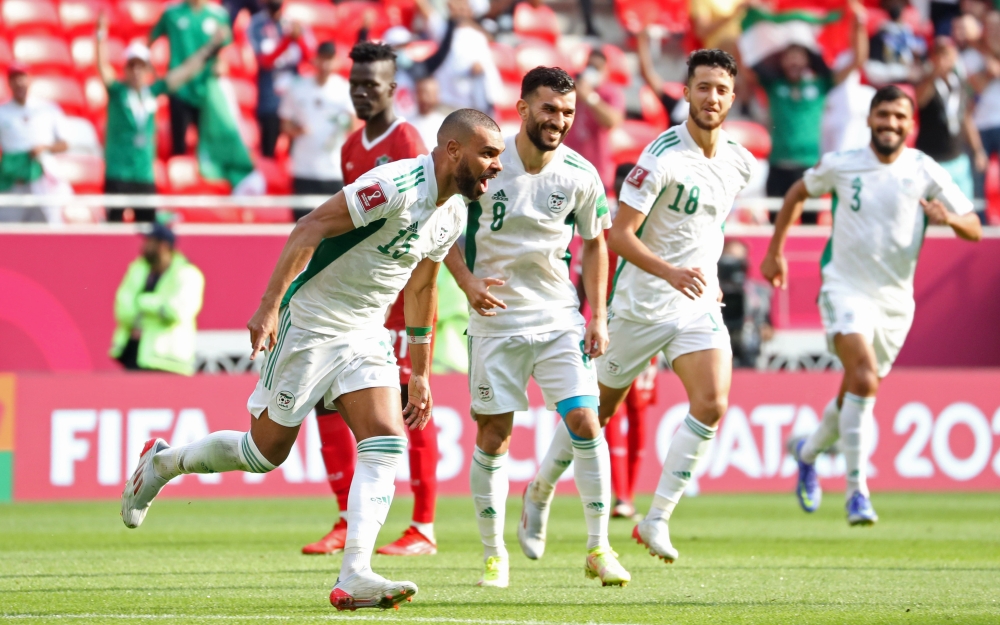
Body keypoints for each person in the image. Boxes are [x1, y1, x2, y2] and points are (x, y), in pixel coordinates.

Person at [120, 108, 504, 612]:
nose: (497, 165)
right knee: (264, 453)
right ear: (454, 149)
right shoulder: (395, 186)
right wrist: (268, 307)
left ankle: (356, 574)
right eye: (489, 154)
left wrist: (422, 374)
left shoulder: (453, 212)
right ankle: (164, 462)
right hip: (312, 321)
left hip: (365, 333)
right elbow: (309, 227)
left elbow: (423, 289)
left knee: (386, 441)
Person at [529, 49, 755, 565]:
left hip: (695, 305)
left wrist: (707, 274)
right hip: (640, 305)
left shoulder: (740, 161)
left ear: (732, 97)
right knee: (594, 414)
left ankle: (656, 519)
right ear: (686, 91)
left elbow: (708, 228)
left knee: (713, 401)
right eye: (702, 87)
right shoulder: (661, 156)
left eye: (721, 89)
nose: (711, 97)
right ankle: (539, 489)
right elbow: (620, 236)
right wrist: (672, 271)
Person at [760, 85, 981, 526]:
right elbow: (796, 194)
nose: (891, 125)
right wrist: (775, 251)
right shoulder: (843, 165)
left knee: (858, 388)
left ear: (911, 124)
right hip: (844, 287)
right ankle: (857, 492)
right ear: (869, 120)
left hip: (896, 301)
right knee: (862, 375)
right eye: (883, 116)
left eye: (900, 118)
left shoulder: (924, 169)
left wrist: (950, 219)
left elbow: (974, 227)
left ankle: (807, 452)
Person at [442, 66, 627, 588]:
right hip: (496, 322)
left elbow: (595, 242)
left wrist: (599, 314)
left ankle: (598, 547)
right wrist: (467, 283)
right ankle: (493, 555)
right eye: (549, 109)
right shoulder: (486, 165)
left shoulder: (580, 174)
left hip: (556, 318)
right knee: (494, 436)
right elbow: (439, 229)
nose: (559, 120)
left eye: (567, 112)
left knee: (586, 424)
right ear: (522, 109)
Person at [301, 41, 438, 558]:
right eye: (354, 83)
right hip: (357, 301)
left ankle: (423, 526)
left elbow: (426, 222)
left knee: (411, 404)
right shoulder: (350, 146)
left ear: (392, 88)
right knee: (328, 397)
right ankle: (343, 518)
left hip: (400, 296)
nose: (360, 92)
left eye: (371, 85)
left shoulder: (408, 140)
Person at [97, 15, 229, 223]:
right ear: (125, 69)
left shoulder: (152, 92)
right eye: (132, 66)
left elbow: (184, 72)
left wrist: (211, 48)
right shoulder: (118, 92)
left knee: (148, 230)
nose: (137, 71)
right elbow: (103, 68)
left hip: (144, 174)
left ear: (148, 70)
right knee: (113, 230)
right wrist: (100, 36)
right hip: (118, 171)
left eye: (141, 66)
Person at [751, 1, 868, 221]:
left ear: (807, 59)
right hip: (777, 166)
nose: (794, 60)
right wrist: (746, 20)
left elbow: (857, 60)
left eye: (799, 54)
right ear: (782, 59)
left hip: (809, 167)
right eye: (789, 55)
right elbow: (743, 64)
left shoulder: (821, 85)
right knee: (776, 228)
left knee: (809, 229)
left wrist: (859, 25)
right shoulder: (773, 86)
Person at [109, 224, 206, 375]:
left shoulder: (187, 273)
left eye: (149, 241)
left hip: (169, 360)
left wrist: (144, 303)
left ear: (163, 245)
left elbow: (178, 312)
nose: (144, 245)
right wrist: (157, 312)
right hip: (134, 354)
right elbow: (123, 308)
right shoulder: (138, 269)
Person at [279, 41, 353, 219]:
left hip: (333, 168)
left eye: (330, 59)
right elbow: (284, 123)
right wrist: (298, 130)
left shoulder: (344, 90)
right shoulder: (298, 88)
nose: (326, 64)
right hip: (304, 167)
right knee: (302, 226)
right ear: (316, 60)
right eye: (322, 59)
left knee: (333, 227)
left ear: (335, 61)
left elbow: (353, 125)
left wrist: (341, 126)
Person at [149, 0, 232, 156]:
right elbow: (150, 40)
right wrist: (152, 71)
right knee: (179, 146)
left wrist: (221, 64)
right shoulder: (172, 13)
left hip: (206, 89)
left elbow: (226, 49)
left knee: (207, 147)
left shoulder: (219, 15)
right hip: (180, 89)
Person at [915, 36, 986, 201]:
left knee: (964, 210)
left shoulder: (959, 83)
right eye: (939, 55)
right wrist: (933, 74)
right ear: (932, 58)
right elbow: (920, 100)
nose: (943, 60)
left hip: (958, 158)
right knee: (934, 213)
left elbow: (966, 119)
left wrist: (978, 149)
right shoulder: (925, 81)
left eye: (947, 54)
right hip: (932, 159)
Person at [0, 64, 69, 223]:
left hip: (43, 180)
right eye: (15, 78)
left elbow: (64, 144)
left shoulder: (48, 109)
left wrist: (44, 148)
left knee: (48, 228)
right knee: (9, 231)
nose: (19, 82)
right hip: (13, 182)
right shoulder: (2, 112)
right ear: (9, 82)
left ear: (30, 80)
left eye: (23, 77)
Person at [248, 0, 315, 158]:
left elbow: (312, 57)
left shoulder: (294, 24)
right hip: (270, 98)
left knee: (295, 153)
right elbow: (264, 61)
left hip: (293, 96)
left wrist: (298, 38)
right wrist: (287, 40)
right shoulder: (257, 24)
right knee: (268, 151)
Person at [564, 49, 625, 192]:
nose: (591, 71)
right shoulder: (573, 89)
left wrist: (590, 98)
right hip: (568, 166)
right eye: (589, 66)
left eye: (597, 68)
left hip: (597, 170)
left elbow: (612, 121)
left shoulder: (611, 93)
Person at [865, 0, 927, 87]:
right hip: (886, 89)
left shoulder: (910, 33)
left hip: (910, 89)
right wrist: (905, 73)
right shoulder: (878, 36)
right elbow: (871, 71)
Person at [410, 77, 449, 149]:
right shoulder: (406, 123)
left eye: (428, 94)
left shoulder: (445, 125)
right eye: (420, 92)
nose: (424, 98)